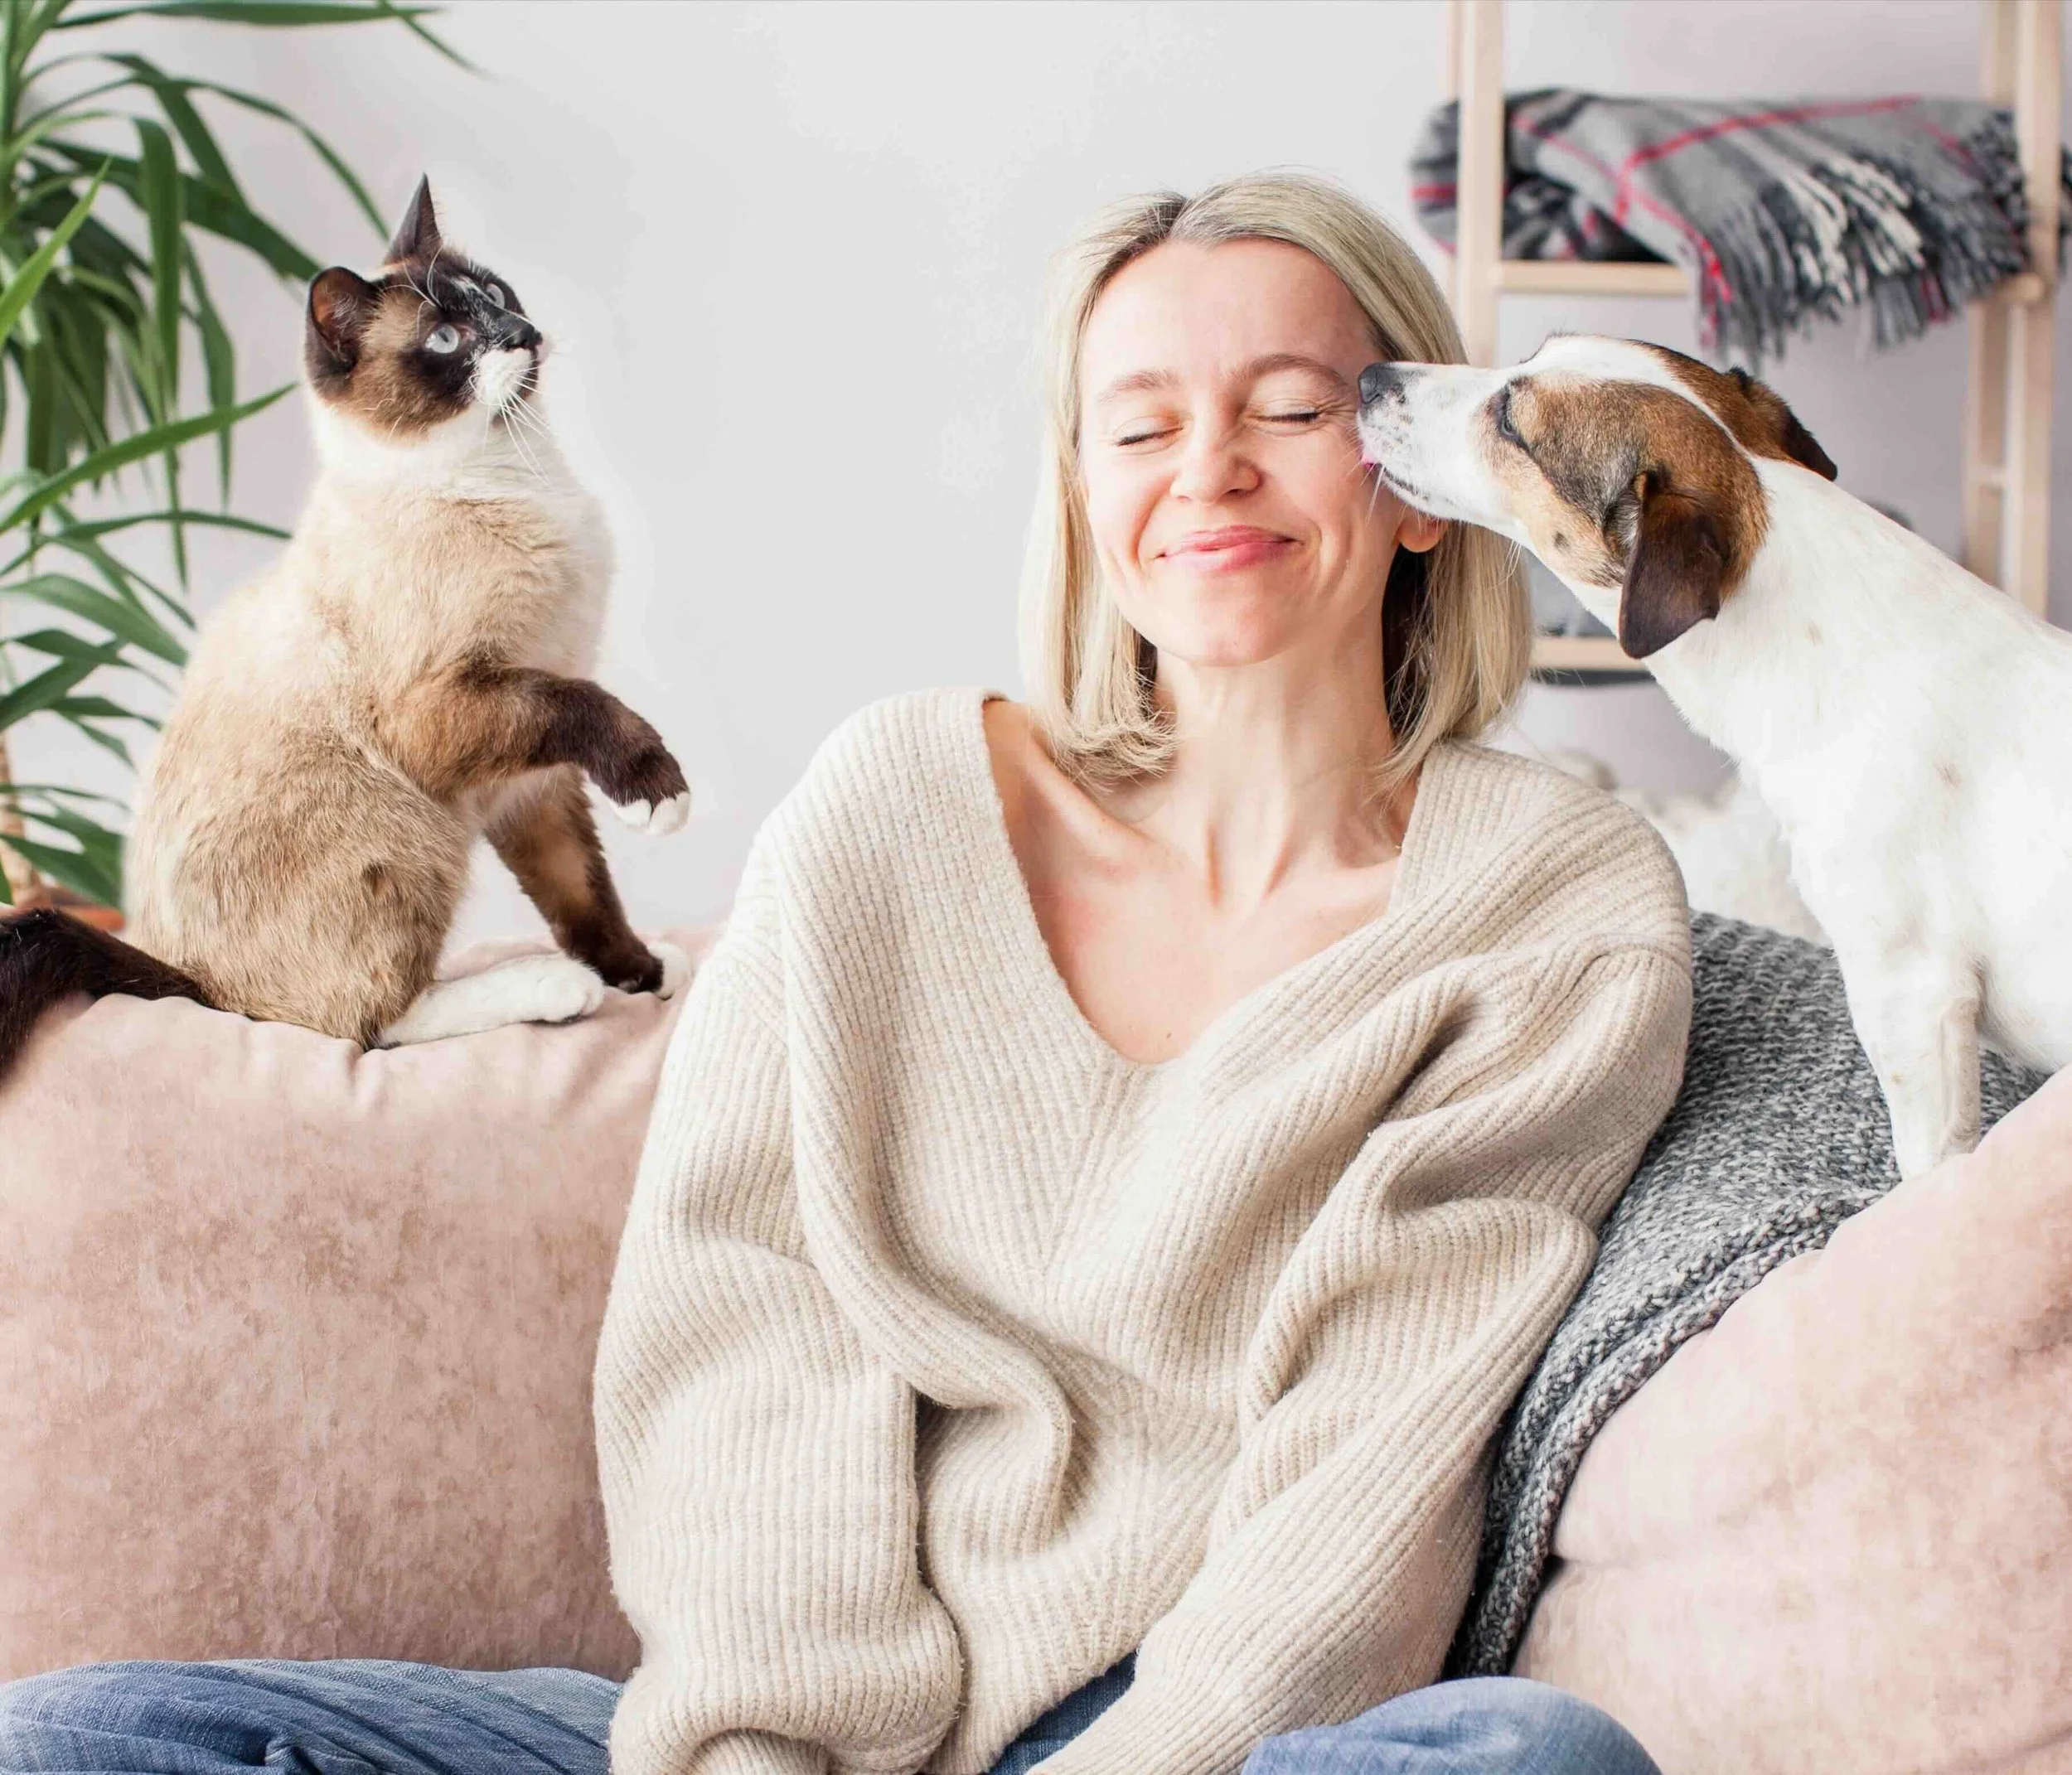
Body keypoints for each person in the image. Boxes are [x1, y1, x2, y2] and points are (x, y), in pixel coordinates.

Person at [0, 173, 1685, 1775]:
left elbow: (1372, 1464)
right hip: (800, 1739)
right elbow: (741, 1328)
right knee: (78, 1739)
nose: (1210, 471)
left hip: (1191, 1736)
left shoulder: (1548, 904)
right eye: (1141, 425)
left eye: (1291, 410)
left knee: (1535, 1756)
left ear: (1407, 476)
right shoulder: (892, 811)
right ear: (1089, 499)